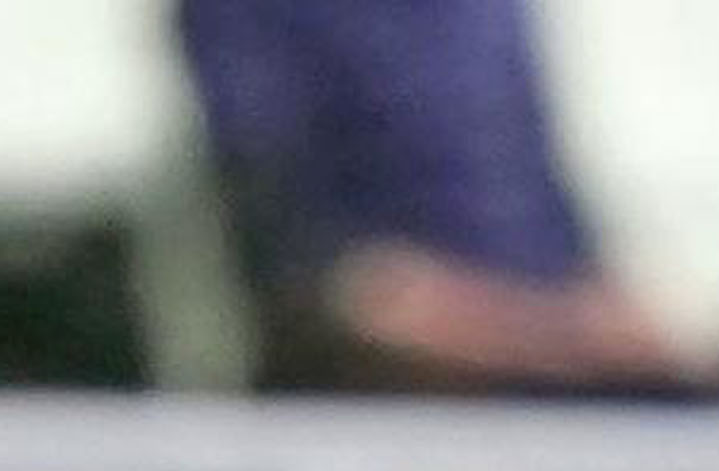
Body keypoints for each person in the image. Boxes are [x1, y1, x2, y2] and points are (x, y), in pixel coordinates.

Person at [175, 0, 685, 393]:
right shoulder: (248, 19)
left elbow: (539, 192)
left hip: (550, 338)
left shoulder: (483, 17)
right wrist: (534, 331)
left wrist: (600, 311)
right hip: (370, 355)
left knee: (708, 422)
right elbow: (300, 246)